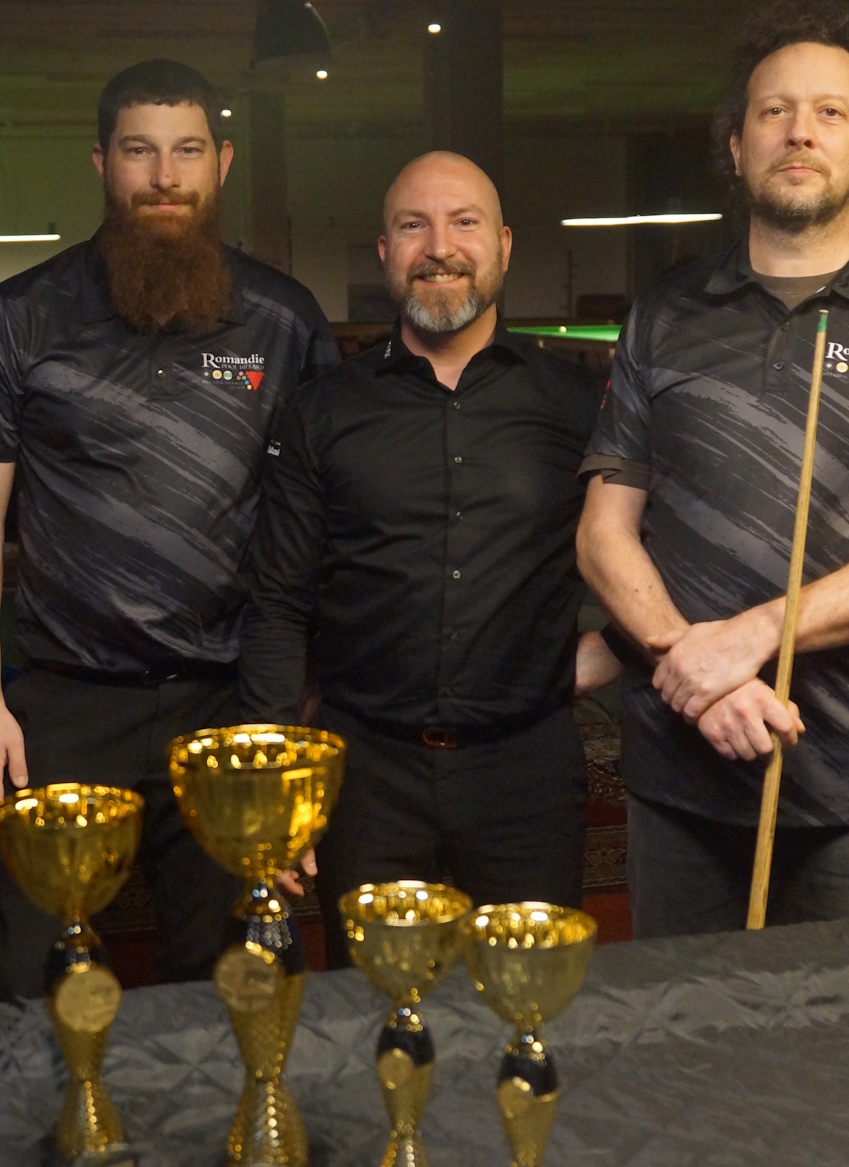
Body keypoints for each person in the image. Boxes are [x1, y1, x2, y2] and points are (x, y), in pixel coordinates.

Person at [575, 1, 849, 938]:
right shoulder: (664, 313)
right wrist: (696, 666)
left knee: (832, 1030)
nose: (799, 131)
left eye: (829, 112)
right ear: (737, 147)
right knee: (675, 1019)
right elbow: (604, 531)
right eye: (773, 111)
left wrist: (754, 635)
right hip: (678, 757)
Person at [0, 58, 339, 995]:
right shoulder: (23, 313)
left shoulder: (285, 321)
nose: (165, 176)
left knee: (232, 984)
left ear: (222, 163)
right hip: (64, 706)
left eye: (187, 150)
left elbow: (321, 529)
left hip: (228, 704)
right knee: (30, 982)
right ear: (101, 163)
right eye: (139, 151)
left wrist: (299, 712)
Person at [239, 151, 622, 968]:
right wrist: (275, 784)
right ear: (385, 252)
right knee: (373, 1011)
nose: (439, 247)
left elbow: (658, 544)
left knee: (529, 1005)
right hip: (364, 775)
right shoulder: (321, 412)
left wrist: (621, 647)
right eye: (414, 225)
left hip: (526, 771)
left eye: (464, 222)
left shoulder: (575, 404)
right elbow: (276, 602)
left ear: (504, 245)